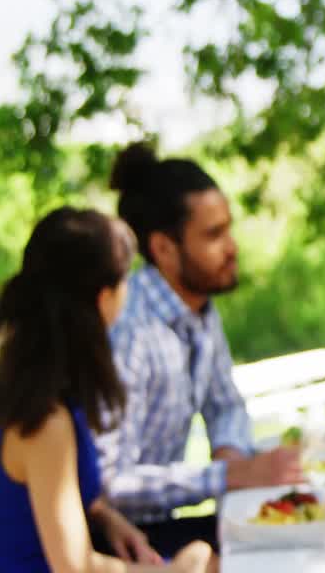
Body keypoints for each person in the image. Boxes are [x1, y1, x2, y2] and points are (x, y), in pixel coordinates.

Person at [0, 207, 211, 573]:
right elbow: (74, 567)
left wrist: (105, 517)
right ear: (103, 298)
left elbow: (49, 490)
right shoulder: (44, 419)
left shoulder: (31, 379)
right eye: (125, 281)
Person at [97, 143, 303, 558]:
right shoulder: (130, 332)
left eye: (228, 229)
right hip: (118, 541)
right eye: (214, 234)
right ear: (164, 249)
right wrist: (230, 475)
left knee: (306, 527)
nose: (232, 247)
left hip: (164, 525)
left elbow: (225, 405)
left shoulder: (199, 310)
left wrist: (232, 456)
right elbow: (109, 484)